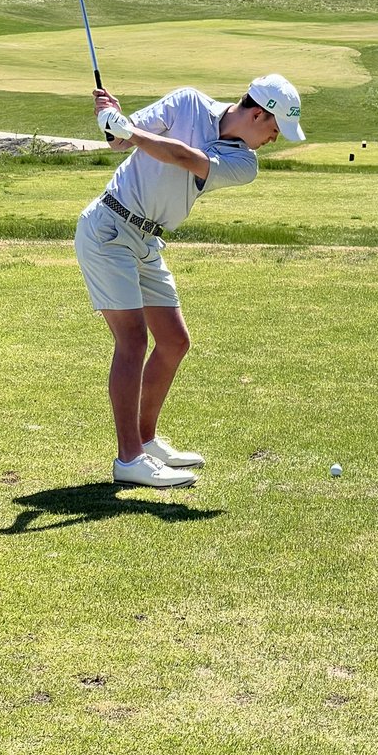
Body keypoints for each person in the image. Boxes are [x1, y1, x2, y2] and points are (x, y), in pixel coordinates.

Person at [75, 74, 305, 488]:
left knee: (174, 341)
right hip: (108, 227)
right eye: (276, 128)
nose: (274, 139)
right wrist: (111, 119)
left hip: (146, 239)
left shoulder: (244, 164)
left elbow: (183, 157)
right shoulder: (187, 102)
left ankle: (146, 441)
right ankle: (129, 459)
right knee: (133, 340)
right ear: (258, 114)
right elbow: (119, 141)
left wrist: (127, 129)